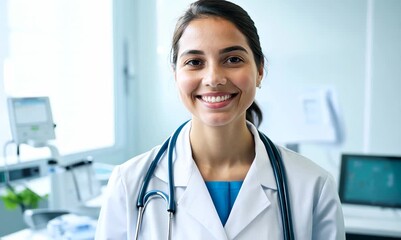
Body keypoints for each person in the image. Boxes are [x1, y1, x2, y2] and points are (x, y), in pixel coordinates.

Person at [95, 0, 345, 239]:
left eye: (233, 59)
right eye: (195, 62)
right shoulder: (129, 183)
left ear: (259, 70)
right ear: (175, 75)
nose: (214, 78)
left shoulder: (313, 186)